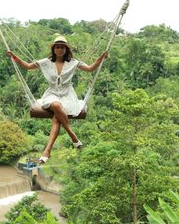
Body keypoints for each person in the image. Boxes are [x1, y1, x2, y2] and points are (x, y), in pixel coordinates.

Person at [7, 34, 108, 164]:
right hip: (52, 94)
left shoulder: (73, 63)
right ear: (54, 49)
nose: (60, 49)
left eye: (62, 47)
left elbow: (90, 69)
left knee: (57, 117)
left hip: (68, 95)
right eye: (57, 47)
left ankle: (47, 151)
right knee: (56, 105)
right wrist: (14, 57)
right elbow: (27, 66)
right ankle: (74, 137)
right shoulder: (46, 62)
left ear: (66, 50)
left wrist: (102, 57)